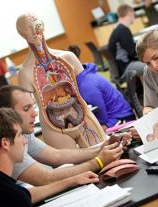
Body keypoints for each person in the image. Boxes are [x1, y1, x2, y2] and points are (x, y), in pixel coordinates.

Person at [0, 85, 123, 185]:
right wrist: (98, 161)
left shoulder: (21, 132)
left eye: (33, 107)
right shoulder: (7, 144)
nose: (34, 114)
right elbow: (45, 178)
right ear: (7, 114)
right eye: (26, 109)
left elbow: (56, 155)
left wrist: (99, 149)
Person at [0, 108, 99, 206]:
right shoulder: (7, 195)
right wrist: (97, 163)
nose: (25, 141)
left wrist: (72, 181)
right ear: (5, 143)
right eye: (19, 135)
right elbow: (20, 198)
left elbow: (25, 195)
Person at [16, 13, 106, 149]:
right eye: (29, 27)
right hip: (53, 127)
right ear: (23, 34)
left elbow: (86, 86)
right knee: (72, 168)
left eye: (37, 23)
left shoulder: (68, 57)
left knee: (104, 155)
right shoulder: (25, 73)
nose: (35, 29)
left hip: (83, 117)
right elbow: (25, 106)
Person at [68, 45, 135, 130]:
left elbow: (102, 119)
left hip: (122, 120)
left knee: (91, 132)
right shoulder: (85, 76)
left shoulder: (86, 85)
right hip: (117, 117)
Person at [108, 4, 146, 78]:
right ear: (129, 14)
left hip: (121, 66)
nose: (134, 17)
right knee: (152, 66)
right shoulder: (122, 30)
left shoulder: (118, 29)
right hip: (125, 66)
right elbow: (133, 52)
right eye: (133, 14)